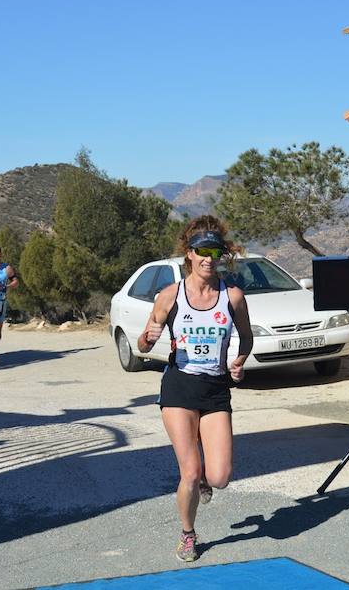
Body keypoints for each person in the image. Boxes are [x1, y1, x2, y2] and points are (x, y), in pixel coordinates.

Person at [137, 215, 253, 563]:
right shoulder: (170, 296)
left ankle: (204, 475)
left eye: (214, 251)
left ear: (221, 254)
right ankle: (188, 534)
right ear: (189, 253)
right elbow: (143, 344)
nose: (208, 258)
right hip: (179, 388)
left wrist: (240, 360)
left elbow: (246, 336)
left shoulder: (232, 296)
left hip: (216, 389)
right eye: (201, 251)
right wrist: (148, 338)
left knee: (219, 477)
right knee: (190, 471)